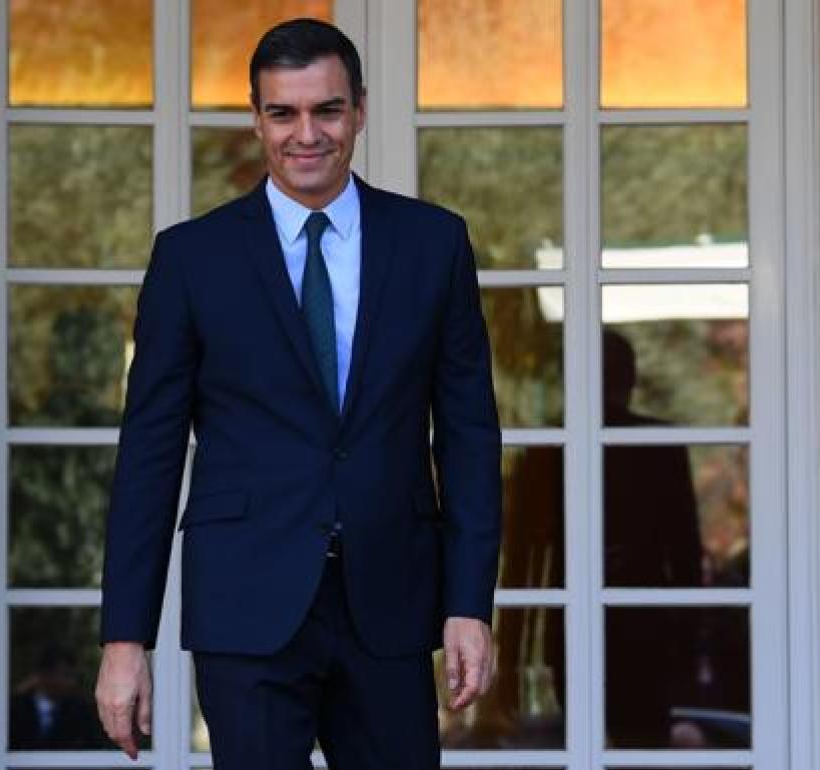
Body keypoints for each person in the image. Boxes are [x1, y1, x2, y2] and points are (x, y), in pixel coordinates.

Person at [93, 18, 502, 769]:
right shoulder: (192, 258)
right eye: (283, 112)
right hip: (246, 603)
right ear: (256, 117)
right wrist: (125, 639)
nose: (306, 135)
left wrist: (469, 605)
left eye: (327, 110)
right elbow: (148, 454)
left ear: (360, 110)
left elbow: (470, 438)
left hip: (391, 599)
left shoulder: (433, 244)